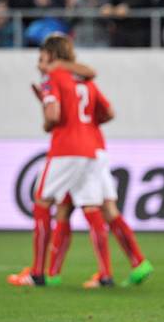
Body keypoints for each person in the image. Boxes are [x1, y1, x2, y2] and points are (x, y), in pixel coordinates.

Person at [7, 34, 112, 287]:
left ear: (52, 57)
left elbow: (53, 115)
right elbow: (105, 108)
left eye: (42, 59)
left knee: (42, 203)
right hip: (90, 151)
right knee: (91, 209)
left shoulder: (51, 78)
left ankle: (37, 273)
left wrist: (45, 119)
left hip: (65, 149)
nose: (39, 65)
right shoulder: (81, 79)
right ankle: (105, 274)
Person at [41, 76, 154, 288]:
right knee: (105, 209)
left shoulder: (60, 84)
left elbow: (55, 116)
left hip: (76, 151)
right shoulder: (88, 83)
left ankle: (99, 275)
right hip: (97, 147)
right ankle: (138, 262)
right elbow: (109, 112)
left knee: (80, 208)